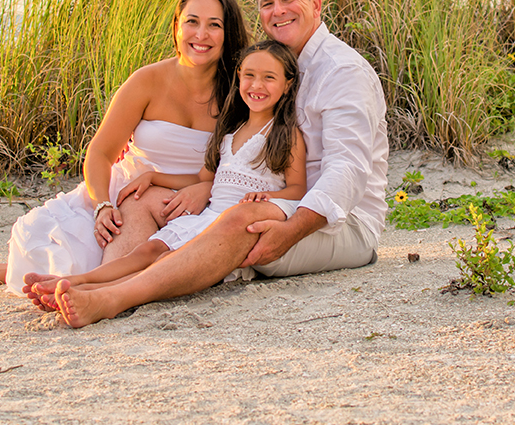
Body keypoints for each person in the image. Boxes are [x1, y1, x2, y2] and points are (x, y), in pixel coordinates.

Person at [51, 0, 389, 327]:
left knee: (241, 217)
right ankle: (87, 280)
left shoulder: (343, 71)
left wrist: (289, 232)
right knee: (153, 201)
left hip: (339, 226)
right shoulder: (271, 66)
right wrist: (171, 180)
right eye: (266, 4)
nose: (277, 11)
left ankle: (114, 298)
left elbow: (347, 172)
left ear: (316, 4)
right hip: (276, 207)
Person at [0, 0, 250, 294]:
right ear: (176, 27)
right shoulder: (147, 81)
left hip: (196, 195)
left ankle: (95, 290)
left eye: (214, 25)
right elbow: (100, 152)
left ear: (228, 34)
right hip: (131, 190)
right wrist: (102, 205)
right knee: (55, 249)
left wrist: (205, 186)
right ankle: (31, 273)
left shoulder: (242, 92)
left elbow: (250, 162)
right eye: (191, 22)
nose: (201, 35)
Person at [22, 40, 307, 308]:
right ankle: (77, 281)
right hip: (208, 215)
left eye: (269, 78)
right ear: (239, 77)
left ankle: (94, 293)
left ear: (287, 84)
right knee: (146, 251)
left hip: (230, 224)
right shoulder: (228, 132)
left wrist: (270, 196)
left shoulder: (285, 135)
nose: (257, 85)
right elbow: (203, 181)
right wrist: (154, 177)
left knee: (167, 261)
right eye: (249, 75)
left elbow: (298, 190)